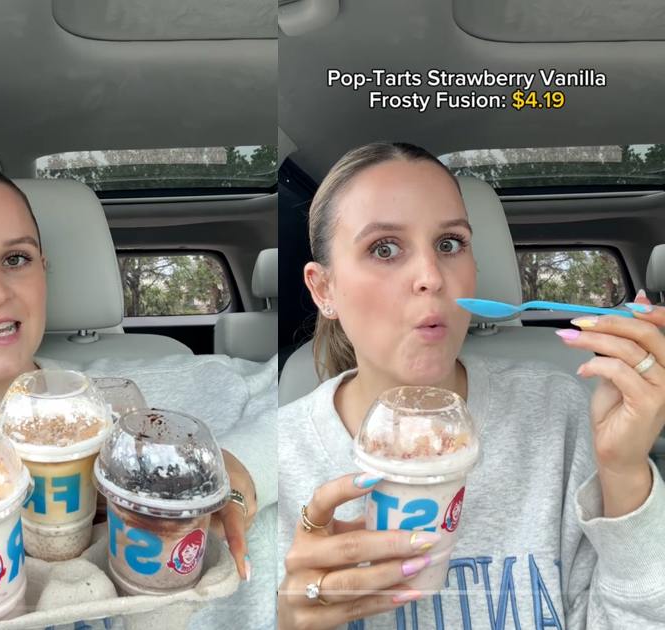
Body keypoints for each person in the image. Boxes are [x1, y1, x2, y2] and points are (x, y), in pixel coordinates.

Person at [0, 161, 277, 628]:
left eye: (16, 259)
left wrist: (243, 467)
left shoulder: (141, 404)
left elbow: (283, 389)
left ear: (43, 271)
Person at [277, 142, 665, 629]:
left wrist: (625, 470)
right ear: (323, 289)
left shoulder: (557, 411)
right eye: (384, 248)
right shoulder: (280, 455)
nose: (431, 277)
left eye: (449, 244)